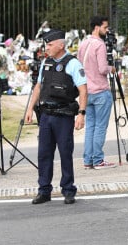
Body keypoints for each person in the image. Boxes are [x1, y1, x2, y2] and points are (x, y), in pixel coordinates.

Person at [24, 29, 87, 205]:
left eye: (50, 45)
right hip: (46, 115)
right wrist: (30, 109)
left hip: (64, 115)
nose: (47, 48)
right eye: (47, 45)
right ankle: (44, 190)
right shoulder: (46, 62)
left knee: (65, 153)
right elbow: (38, 87)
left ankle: (68, 189)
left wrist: (81, 114)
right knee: (44, 154)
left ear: (61, 45)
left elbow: (83, 90)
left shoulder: (73, 63)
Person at [77, 16, 116, 170]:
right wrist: (111, 68)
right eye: (105, 28)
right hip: (100, 90)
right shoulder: (100, 45)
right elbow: (102, 68)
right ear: (97, 27)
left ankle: (88, 159)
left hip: (87, 91)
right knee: (100, 126)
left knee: (90, 127)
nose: (107, 31)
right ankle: (98, 159)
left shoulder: (83, 44)